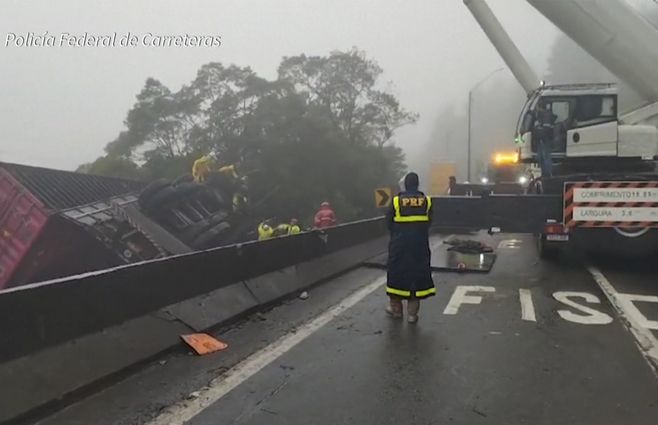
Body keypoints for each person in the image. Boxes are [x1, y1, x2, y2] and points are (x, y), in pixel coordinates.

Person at [385, 172, 435, 323]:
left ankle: (396, 310)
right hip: (419, 246)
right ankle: (412, 315)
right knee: (416, 277)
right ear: (417, 184)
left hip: (399, 246)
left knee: (396, 276)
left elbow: (388, 223)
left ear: (405, 184)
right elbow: (429, 223)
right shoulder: (427, 201)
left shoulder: (396, 201)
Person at [534, 102, 556, 177]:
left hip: (544, 138)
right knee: (542, 157)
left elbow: (546, 129)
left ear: (540, 107)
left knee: (546, 156)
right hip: (544, 138)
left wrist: (539, 134)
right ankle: (545, 173)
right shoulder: (545, 115)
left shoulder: (545, 115)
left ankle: (548, 173)